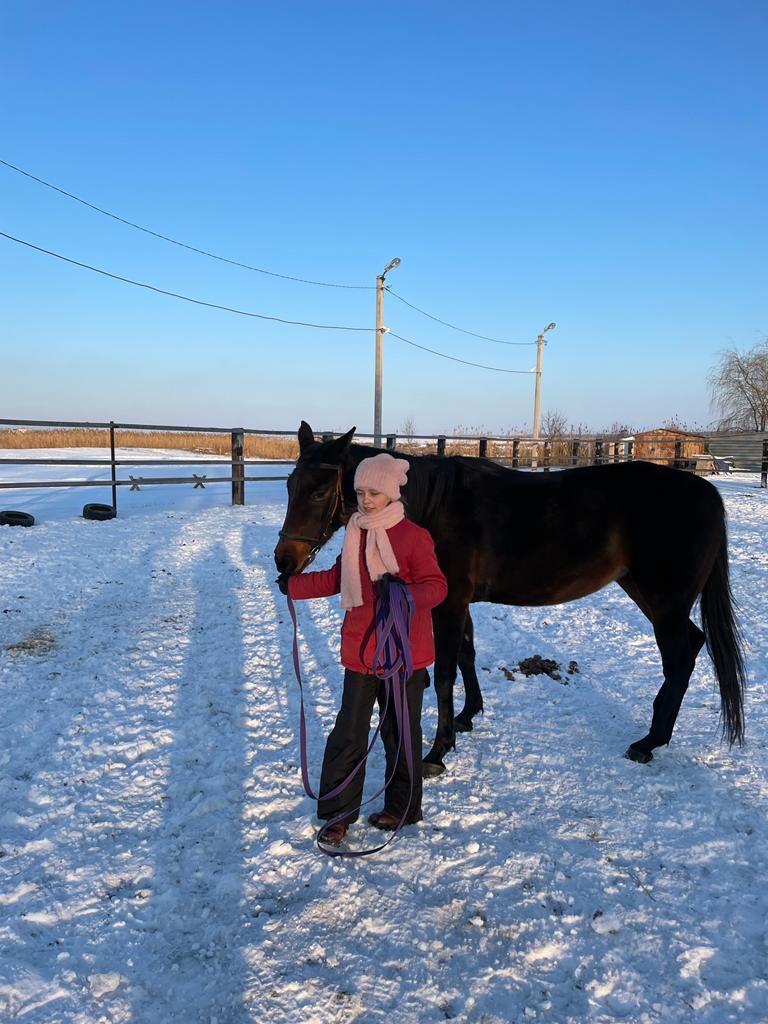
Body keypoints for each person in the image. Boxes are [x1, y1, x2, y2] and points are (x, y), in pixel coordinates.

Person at [286, 452, 448, 847]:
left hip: (404, 656)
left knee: (401, 733)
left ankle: (403, 806)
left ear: (392, 494)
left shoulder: (413, 536)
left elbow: (437, 586)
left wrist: (407, 596)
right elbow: (337, 578)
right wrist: (294, 586)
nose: (367, 500)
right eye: (360, 492)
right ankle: (338, 814)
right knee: (349, 733)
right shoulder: (354, 532)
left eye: (374, 492)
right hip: (361, 653)